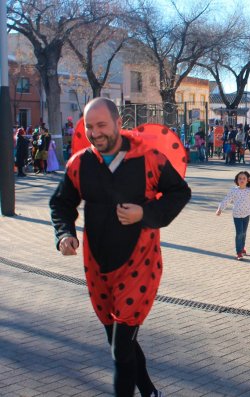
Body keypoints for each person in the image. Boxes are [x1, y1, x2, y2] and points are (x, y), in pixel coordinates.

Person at [49, 97, 191, 397]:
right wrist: (64, 234)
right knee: (120, 341)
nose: (95, 132)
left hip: (139, 265)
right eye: (89, 126)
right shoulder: (80, 163)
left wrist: (146, 214)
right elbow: (62, 203)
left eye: (101, 125)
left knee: (120, 347)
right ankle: (150, 392)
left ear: (118, 123)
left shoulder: (149, 158)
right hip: (98, 266)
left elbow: (180, 192)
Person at [216, 171, 250, 260]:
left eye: (244, 178)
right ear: (237, 180)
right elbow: (227, 199)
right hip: (237, 215)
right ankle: (239, 252)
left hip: (246, 214)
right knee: (239, 233)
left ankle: (242, 248)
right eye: (240, 178)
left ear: (247, 181)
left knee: (244, 233)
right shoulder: (234, 190)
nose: (242, 180)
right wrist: (220, 209)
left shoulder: (249, 190)